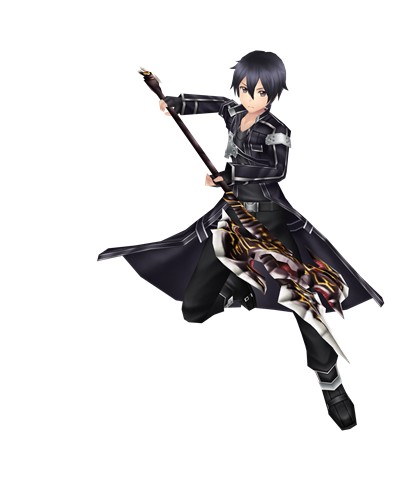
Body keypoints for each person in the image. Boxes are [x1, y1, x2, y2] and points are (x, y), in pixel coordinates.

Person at [98, 51, 383, 430]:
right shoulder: (235, 113)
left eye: (261, 92)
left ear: (273, 94)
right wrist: (178, 103)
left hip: (270, 222)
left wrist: (231, 176)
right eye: (246, 89)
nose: (251, 98)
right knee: (194, 310)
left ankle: (330, 383)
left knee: (302, 304)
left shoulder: (277, 129)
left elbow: (277, 169)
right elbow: (217, 104)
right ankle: (242, 289)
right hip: (231, 220)